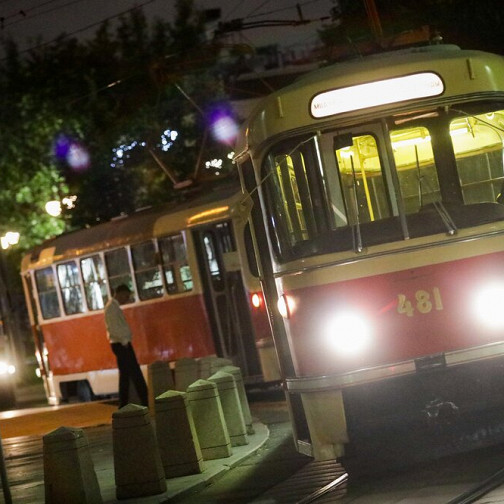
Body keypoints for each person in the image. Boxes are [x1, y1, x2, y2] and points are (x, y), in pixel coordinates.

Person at [104, 284, 148, 408]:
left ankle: (124, 403)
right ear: (121, 293)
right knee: (135, 372)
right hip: (121, 344)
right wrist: (125, 342)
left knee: (125, 375)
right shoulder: (112, 307)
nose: (127, 299)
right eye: (126, 296)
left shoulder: (113, 306)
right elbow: (113, 328)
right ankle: (144, 399)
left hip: (120, 343)